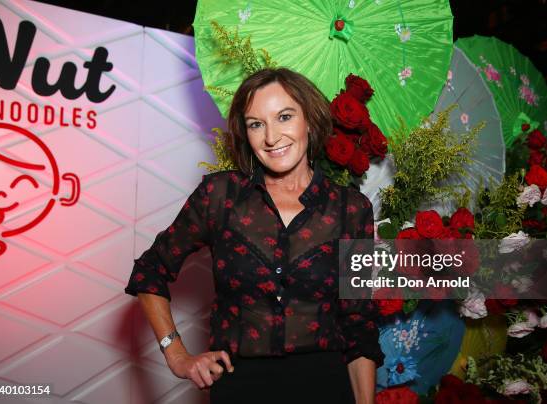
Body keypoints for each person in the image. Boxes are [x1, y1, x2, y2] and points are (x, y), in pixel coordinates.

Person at [124, 67, 385, 404]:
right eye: (256, 124)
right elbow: (150, 270)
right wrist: (176, 354)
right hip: (239, 388)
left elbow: (358, 323)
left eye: (285, 117)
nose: (272, 137)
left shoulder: (350, 208)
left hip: (324, 385)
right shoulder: (221, 196)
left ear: (310, 120)